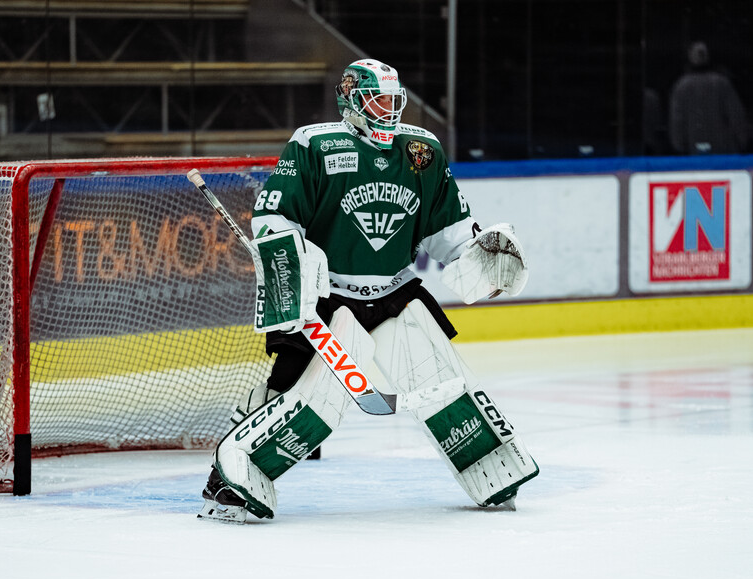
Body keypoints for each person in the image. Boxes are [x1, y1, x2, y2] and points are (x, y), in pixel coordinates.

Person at [198, 58, 539, 523]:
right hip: (330, 297)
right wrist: (293, 258)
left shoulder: (422, 151)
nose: (388, 110)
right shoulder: (314, 144)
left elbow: (448, 230)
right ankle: (232, 476)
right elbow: (274, 217)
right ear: (351, 101)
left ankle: (489, 469)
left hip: (396, 293)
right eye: (376, 99)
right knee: (310, 399)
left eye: (393, 100)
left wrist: (474, 256)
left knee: (441, 381)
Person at [668, 41, 750, 155]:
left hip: (694, 150)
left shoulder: (681, 86)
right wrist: (742, 141)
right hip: (723, 149)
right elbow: (736, 116)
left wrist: (679, 146)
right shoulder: (721, 83)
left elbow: (677, 120)